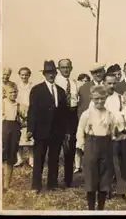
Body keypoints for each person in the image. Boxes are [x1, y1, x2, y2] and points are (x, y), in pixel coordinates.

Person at [27, 60, 69, 193]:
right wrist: (30, 129)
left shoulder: (61, 91)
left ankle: (52, 184)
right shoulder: (37, 90)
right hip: (41, 131)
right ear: (44, 74)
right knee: (39, 159)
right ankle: (36, 185)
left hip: (57, 132)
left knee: (54, 158)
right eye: (48, 73)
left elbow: (64, 114)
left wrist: (65, 131)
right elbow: (32, 111)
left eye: (53, 73)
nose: (51, 75)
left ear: (56, 73)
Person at [76, 85, 116, 210]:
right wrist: (81, 147)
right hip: (91, 145)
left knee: (105, 178)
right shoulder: (87, 114)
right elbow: (80, 131)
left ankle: (101, 209)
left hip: (106, 145)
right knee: (91, 177)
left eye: (102, 99)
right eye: (97, 99)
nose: (99, 101)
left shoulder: (109, 114)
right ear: (92, 98)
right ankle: (91, 208)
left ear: (106, 98)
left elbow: (113, 131)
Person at [76, 63, 106, 173]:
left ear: (104, 72)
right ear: (92, 74)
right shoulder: (84, 88)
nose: (98, 74)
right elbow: (82, 107)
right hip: (90, 126)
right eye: (95, 72)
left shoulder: (107, 85)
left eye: (100, 71)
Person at [55, 59, 80, 187]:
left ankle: (68, 179)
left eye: (68, 67)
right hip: (59, 115)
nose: (65, 70)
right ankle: (52, 180)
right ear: (58, 68)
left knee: (70, 148)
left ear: (71, 68)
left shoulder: (74, 83)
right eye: (63, 67)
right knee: (56, 148)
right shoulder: (55, 82)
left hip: (72, 115)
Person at [2, 82, 26, 192]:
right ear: (5, 93)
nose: (13, 94)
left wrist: (22, 124)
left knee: (10, 158)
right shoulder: (2, 103)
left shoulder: (18, 105)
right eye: (10, 92)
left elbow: (27, 117)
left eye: (15, 92)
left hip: (14, 132)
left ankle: (6, 185)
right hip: (3, 130)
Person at [15, 67, 34, 168]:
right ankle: (19, 159)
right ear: (19, 75)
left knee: (30, 136)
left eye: (26, 74)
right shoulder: (16, 86)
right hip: (18, 111)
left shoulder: (32, 86)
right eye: (22, 74)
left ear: (29, 75)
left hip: (30, 111)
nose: (24, 76)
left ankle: (31, 160)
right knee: (19, 136)